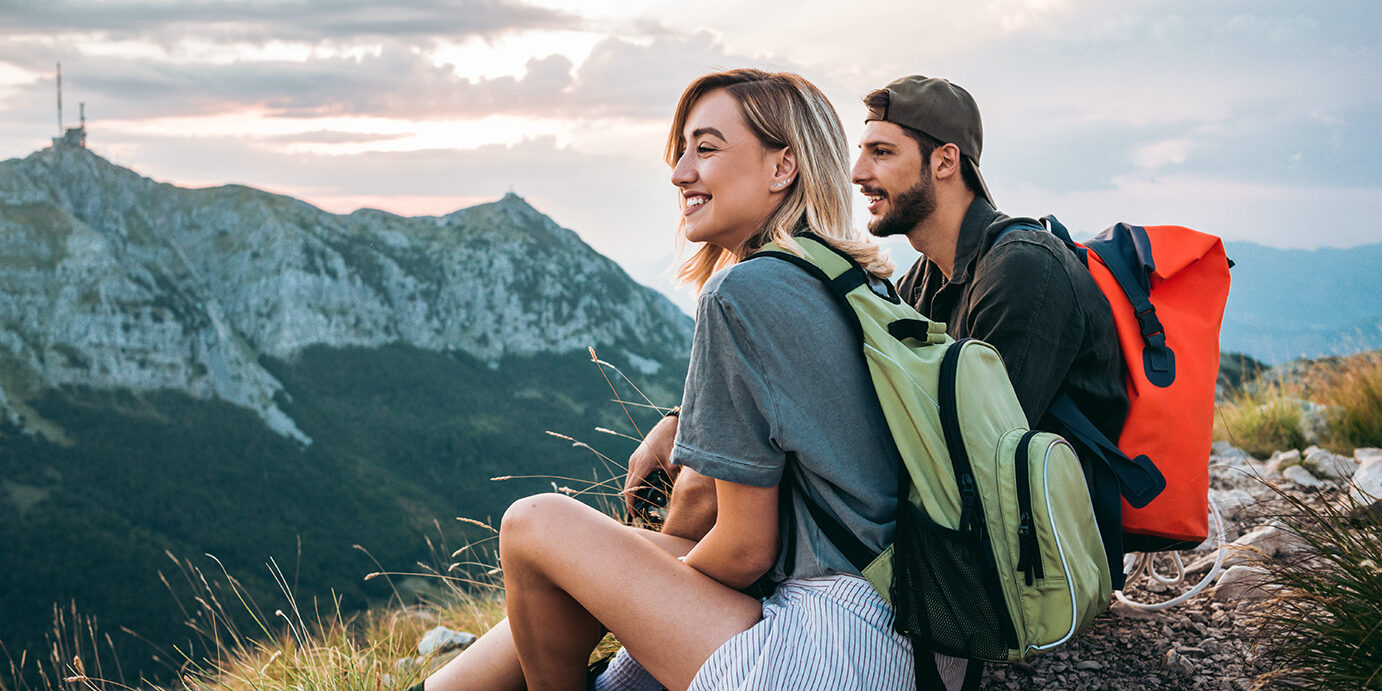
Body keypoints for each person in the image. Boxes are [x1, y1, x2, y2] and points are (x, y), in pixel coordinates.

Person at [420, 68, 935, 691]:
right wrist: (631, 579)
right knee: (592, 571)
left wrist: (628, 598)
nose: (680, 173)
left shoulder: (743, 290)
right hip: (900, 633)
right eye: (682, 151)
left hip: (820, 645)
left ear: (783, 168)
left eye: (707, 149)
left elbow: (746, 551)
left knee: (533, 523)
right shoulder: (858, 284)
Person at [851, 74, 1129, 585]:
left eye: (882, 153)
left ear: (944, 162)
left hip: (1040, 565)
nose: (858, 172)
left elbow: (981, 453)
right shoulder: (929, 276)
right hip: (987, 535)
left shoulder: (1024, 269)